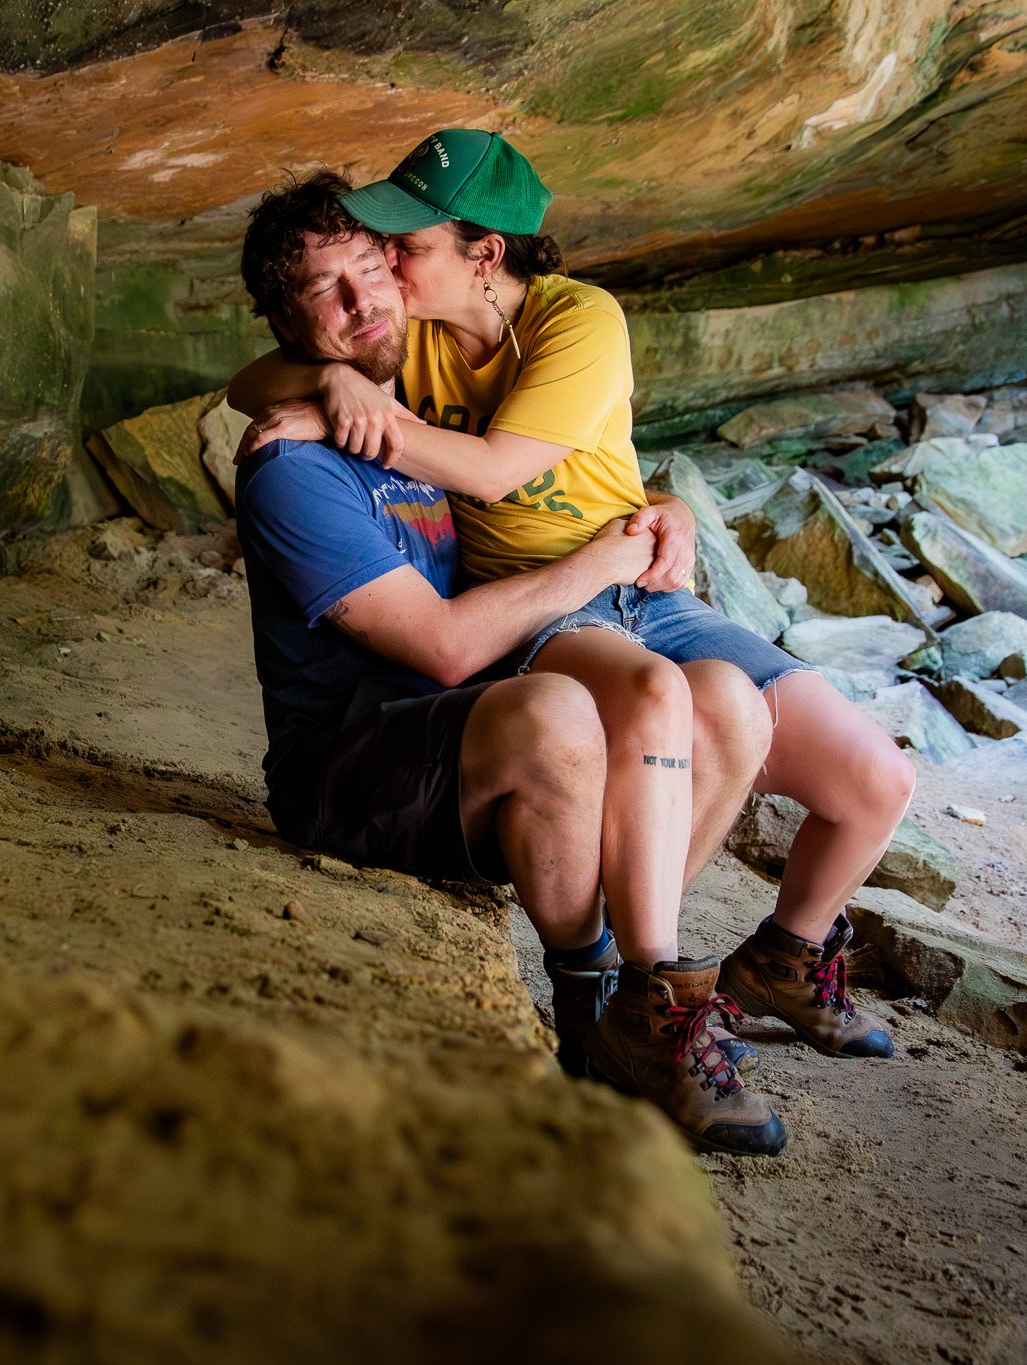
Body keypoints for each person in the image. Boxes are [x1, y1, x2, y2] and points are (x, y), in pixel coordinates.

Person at [230, 134, 913, 1078]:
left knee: (872, 776)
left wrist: (664, 511)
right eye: (359, 260)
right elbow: (257, 373)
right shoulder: (406, 335)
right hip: (549, 605)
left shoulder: (575, 320)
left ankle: (760, 960)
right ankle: (638, 982)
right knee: (667, 704)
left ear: (485, 254)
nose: (380, 272)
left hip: (631, 577)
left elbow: (501, 466)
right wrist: (331, 380)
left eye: (400, 247)